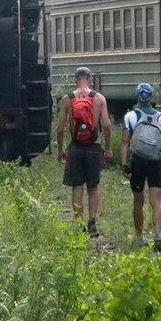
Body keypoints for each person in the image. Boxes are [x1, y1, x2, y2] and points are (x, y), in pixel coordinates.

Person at [57, 66, 112, 236]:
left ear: (75, 79)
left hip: (75, 148)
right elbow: (107, 125)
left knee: (77, 187)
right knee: (93, 187)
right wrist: (108, 148)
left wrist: (60, 150)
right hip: (94, 147)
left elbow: (60, 129)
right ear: (91, 79)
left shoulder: (67, 99)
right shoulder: (99, 98)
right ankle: (92, 222)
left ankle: (79, 225)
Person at [120, 83, 161, 251]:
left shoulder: (131, 116)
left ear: (137, 97)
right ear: (152, 97)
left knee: (138, 200)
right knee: (156, 200)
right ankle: (157, 234)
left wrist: (124, 164)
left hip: (137, 161)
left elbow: (124, 141)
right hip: (155, 161)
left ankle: (139, 236)